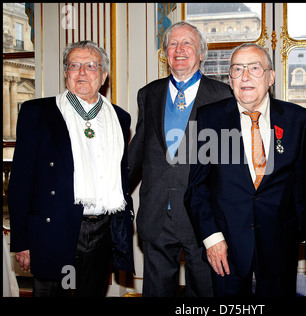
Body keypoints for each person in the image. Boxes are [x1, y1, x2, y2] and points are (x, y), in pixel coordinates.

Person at [8, 40, 135, 297]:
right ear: (66, 73)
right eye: (74, 66)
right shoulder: (38, 113)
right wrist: (21, 241)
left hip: (102, 230)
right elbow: (20, 181)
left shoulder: (120, 118)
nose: (81, 73)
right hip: (55, 227)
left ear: (103, 75)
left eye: (90, 66)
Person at [184, 43, 306, 297]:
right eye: (237, 70)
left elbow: (298, 188)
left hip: (279, 247)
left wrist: (297, 237)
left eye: (254, 68)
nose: (245, 77)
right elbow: (196, 188)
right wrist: (211, 238)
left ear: (271, 77)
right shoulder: (209, 118)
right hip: (225, 248)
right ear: (230, 80)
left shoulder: (298, 119)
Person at [128, 21, 232, 297]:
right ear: (165, 54)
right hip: (156, 214)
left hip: (202, 218)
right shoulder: (148, 94)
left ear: (201, 53)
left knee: (205, 294)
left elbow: (229, 164)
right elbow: (137, 150)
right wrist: (116, 195)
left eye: (187, 43)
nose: (179, 49)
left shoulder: (222, 96)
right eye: (172, 44)